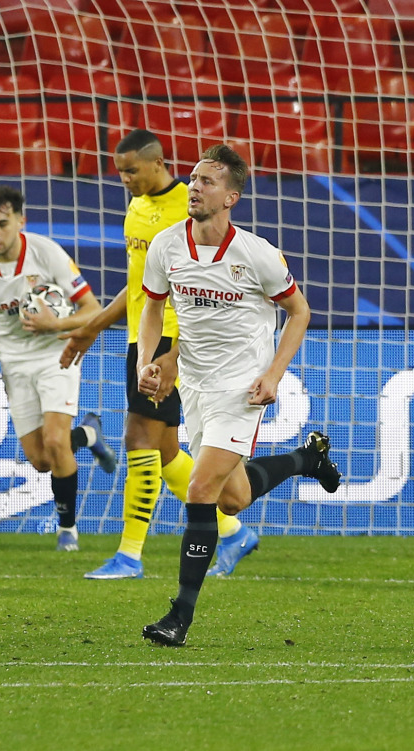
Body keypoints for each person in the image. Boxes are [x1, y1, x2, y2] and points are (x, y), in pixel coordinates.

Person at [135, 145, 341, 647]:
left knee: (201, 491)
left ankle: (179, 617)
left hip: (242, 389)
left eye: (206, 181)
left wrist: (272, 375)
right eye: (193, 178)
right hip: (196, 386)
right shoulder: (166, 246)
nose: (195, 187)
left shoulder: (257, 254)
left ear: (231, 197)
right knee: (233, 496)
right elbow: (152, 309)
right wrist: (150, 360)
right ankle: (306, 460)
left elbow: (300, 313)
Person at [61, 130, 261, 580]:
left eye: (132, 170)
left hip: (174, 341)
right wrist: (92, 327)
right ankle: (232, 533)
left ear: (158, 163)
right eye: (120, 173)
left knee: (138, 440)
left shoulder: (186, 207)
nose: (126, 179)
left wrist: (176, 350)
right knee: (166, 448)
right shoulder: (136, 209)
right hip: (142, 338)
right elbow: (140, 285)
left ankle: (130, 555)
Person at [0, 185, 115, 552]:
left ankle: (68, 532)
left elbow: (93, 308)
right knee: (43, 460)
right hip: (14, 361)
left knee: (57, 441)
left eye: (2, 223)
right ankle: (90, 435)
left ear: (20, 221)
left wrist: (55, 326)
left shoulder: (47, 254)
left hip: (55, 353)